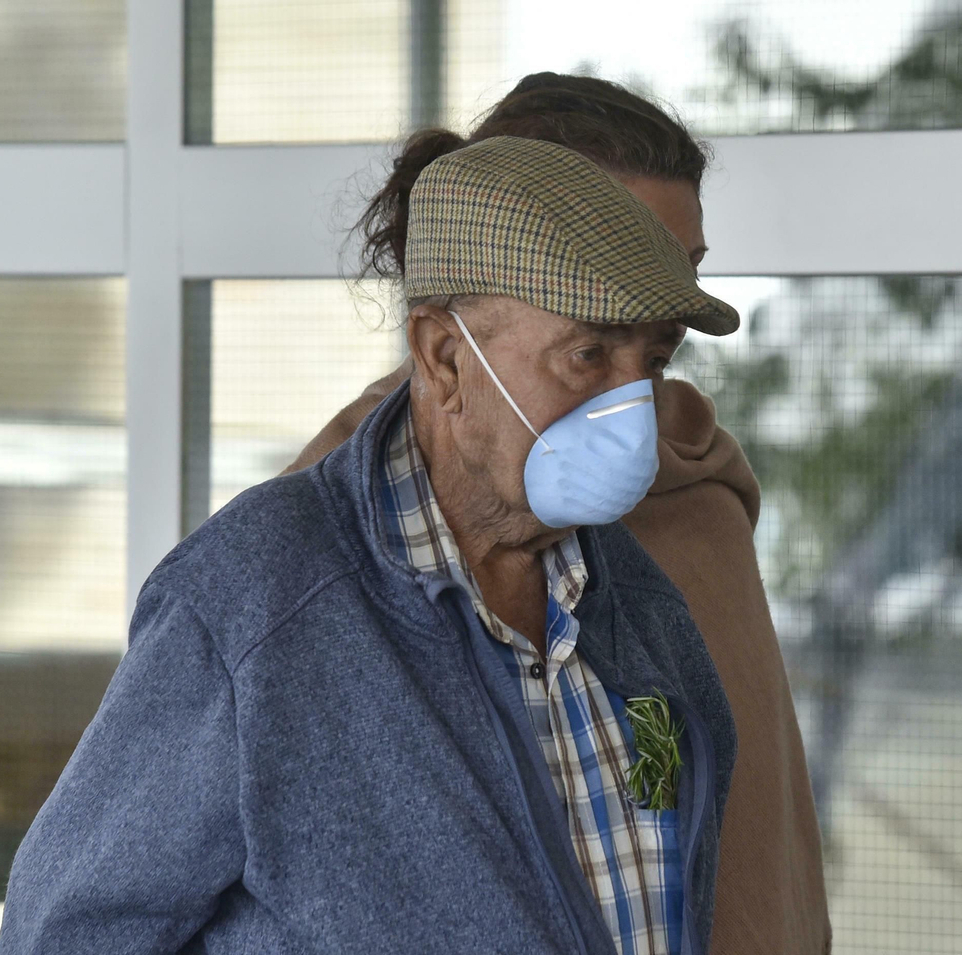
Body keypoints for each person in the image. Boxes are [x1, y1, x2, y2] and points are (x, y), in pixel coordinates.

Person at [0, 126, 744, 953]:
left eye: (654, 360)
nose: (632, 405)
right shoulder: (257, 603)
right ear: (445, 358)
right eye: (588, 354)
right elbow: (62, 933)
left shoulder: (642, 612)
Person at [288, 73, 830, 954]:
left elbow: (755, 837)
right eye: (614, 271)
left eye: (679, 275)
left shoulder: (694, 485)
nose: (653, 313)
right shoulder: (320, 538)